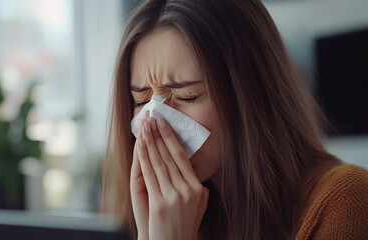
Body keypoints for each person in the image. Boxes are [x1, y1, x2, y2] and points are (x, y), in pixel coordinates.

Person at [101, 0, 368, 239]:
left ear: (250, 93)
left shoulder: (344, 200)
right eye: (141, 100)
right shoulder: (179, 215)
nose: (156, 121)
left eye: (187, 95)